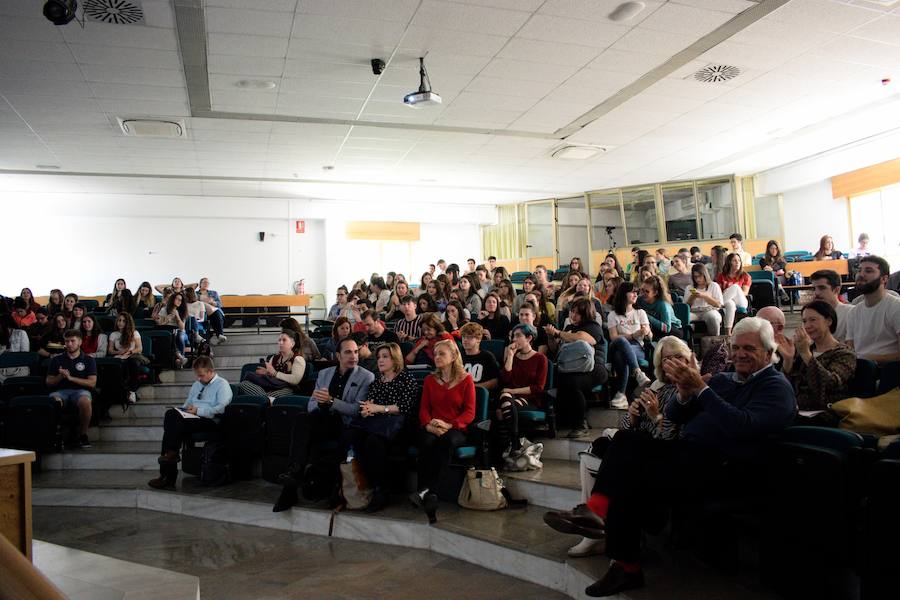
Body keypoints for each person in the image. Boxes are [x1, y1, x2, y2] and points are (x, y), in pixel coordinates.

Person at [544, 317, 796, 597]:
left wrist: (701, 389)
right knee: (626, 444)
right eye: (735, 348)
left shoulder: (776, 387)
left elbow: (742, 426)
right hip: (689, 457)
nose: (739, 354)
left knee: (630, 467)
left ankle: (619, 553)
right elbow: (675, 415)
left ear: (769, 352)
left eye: (748, 348)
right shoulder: (725, 380)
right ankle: (607, 530)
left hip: (728, 470)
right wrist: (685, 394)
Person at [274, 337, 374, 512]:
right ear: (338, 355)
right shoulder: (324, 374)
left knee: (312, 428)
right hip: (322, 420)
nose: (354, 356)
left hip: (345, 425)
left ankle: (293, 486)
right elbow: (311, 403)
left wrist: (331, 401)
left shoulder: (366, 376)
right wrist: (321, 404)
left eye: (356, 352)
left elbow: (357, 410)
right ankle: (294, 472)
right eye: (348, 352)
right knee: (302, 418)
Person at [341, 343, 418, 512]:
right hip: (377, 422)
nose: (381, 360)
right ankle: (359, 483)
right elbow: (371, 402)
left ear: (395, 359)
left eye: (385, 356)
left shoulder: (406, 379)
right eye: (379, 357)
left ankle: (381, 489)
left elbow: (404, 407)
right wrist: (368, 409)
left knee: (373, 442)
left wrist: (379, 408)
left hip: (398, 425)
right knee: (351, 434)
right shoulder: (378, 381)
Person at [410, 339, 475, 523]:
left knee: (446, 441)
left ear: (454, 356)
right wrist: (429, 425)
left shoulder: (466, 379)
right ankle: (425, 490)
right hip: (433, 425)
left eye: (442, 354)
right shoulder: (430, 379)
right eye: (436, 354)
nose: (437, 357)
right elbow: (424, 409)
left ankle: (425, 490)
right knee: (426, 440)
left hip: (456, 428)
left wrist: (449, 425)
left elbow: (469, 413)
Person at [148, 356, 232, 489]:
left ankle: (167, 476)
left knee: (171, 428)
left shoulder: (222, 384)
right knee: (172, 417)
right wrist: (183, 409)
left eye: (201, 375)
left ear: (211, 371)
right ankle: (171, 456)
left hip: (210, 420)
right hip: (192, 417)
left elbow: (221, 409)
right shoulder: (197, 384)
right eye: (197, 375)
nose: (199, 378)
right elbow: (188, 403)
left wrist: (198, 410)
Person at [545, 297, 610, 438]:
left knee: (573, 383)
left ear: (586, 314)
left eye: (577, 313)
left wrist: (558, 333)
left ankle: (581, 424)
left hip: (595, 368)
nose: (573, 315)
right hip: (571, 368)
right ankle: (564, 419)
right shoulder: (569, 328)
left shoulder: (594, 327)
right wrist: (551, 337)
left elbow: (582, 338)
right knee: (560, 378)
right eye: (572, 312)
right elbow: (556, 350)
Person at [778, 300, 856, 415]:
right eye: (804, 321)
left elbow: (830, 384)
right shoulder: (804, 350)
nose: (807, 326)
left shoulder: (845, 353)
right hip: (795, 409)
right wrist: (788, 360)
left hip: (826, 413)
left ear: (828, 321)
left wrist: (806, 354)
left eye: (813, 320)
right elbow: (784, 387)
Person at [497, 324, 548, 456]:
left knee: (506, 399)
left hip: (531, 399)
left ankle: (513, 443)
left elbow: (538, 388)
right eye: (513, 336)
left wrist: (513, 391)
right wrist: (510, 356)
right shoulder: (513, 357)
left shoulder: (540, 359)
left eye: (518, 336)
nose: (514, 339)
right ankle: (515, 443)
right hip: (510, 399)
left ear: (529, 338)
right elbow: (505, 379)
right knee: (507, 400)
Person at [46, 329, 97, 448]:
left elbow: (92, 383)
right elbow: (49, 382)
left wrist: (70, 378)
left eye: (72, 341)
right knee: (54, 400)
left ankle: (83, 435)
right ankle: (56, 435)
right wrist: (60, 376)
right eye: (67, 341)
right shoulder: (56, 359)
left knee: (85, 401)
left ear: (79, 342)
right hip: (60, 392)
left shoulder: (89, 360)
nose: (69, 344)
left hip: (81, 391)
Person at [844, 256, 900, 365]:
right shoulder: (853, 312)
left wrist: (868, 359)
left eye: (868, 271)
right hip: (860, 371)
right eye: (859, 270)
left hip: (890, 373)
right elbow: (850, 350)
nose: (861, 275)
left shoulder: (896, 307)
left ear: (884, 279)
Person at [605, 282, 652, 410]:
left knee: (622, 356)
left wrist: (646, 332)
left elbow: (649, 335)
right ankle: (638, 373)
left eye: (637, 292)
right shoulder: (613, 315)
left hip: (636, 347)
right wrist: (632, 335)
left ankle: (621, 395)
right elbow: (614, 337)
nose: (635, 294)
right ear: (623, 294)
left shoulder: (640, 313)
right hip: (617, 345)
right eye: (632, 292)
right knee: (621, 342)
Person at [240, 330, 306, 398]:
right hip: (272, 385)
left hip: (287, 388)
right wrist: (266, 373)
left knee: (273, 395)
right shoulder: (274, 357)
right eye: (279, 340)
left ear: (292, 344)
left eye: (284, 340)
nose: (280, 342)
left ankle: (264, 399)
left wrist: (275, 373)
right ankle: (265, 399)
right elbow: (271, 376)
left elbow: (295, 380)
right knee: (244, 384)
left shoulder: (298, 359)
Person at [108, 312, 144, 405]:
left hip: (132, 355)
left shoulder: (134, 333)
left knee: (133, 363)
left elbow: (139, 348)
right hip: (120, 356)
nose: (120, 323)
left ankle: (132, 392)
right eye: (119, 320)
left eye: (123, 321)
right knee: (116, 365)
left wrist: (130, 352)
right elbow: (110, 351)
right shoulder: (113, 334)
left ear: (128, 322)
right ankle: (120, 393)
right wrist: (119, 352)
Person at [810, 269, 854, 342]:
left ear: (837, 290)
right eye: (814, 289)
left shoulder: (850, 313)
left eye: (822, 288)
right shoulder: (810, 315)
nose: (816, 293)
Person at [716, 253, 751, 336]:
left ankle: (717, 305)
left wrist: (729, 290)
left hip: (741, 301)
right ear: (729, 262)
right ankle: (728, 333)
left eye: (739, 260)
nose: (737, 262)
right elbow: (719, 292)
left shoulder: (745, 276)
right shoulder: (721, 276)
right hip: (727, 301)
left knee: (735, 287)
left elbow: (745, 293)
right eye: (734, 260)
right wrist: (728, 293)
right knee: (730, 304)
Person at [685, 263, 724, 335]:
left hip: (709, 310)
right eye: (695, 277)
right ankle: (687, 340)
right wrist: (692, 297)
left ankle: (715, 339)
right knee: (684, 317)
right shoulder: (689, 287)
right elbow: (686, 306)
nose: (697, 279)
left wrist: (704, 296)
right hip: (694, 311)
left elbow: (719, 304)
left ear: (705, 275)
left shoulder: (713, 285)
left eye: (699, 276)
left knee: (712, 317)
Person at [460, 322, 499, 391]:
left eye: (469, 337)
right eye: (463, 336)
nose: (465, 340)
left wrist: (471, 387)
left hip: (479, 394)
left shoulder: (487, 357)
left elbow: (494, 382)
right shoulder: (458, 357)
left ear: (478, 339)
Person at [155, 291, 190, 367]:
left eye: (180, 300)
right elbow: (159, 324)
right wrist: (168, 319)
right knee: (170, 336)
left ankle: (180, 358)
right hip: (168, 331)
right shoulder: (164, 310)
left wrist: (177, 316)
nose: (179, 301)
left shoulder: (182, 311)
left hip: (181, 332)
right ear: (172, 299)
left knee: (179, 336)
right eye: (177, 299)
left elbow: (182, 328)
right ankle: (179, 358)